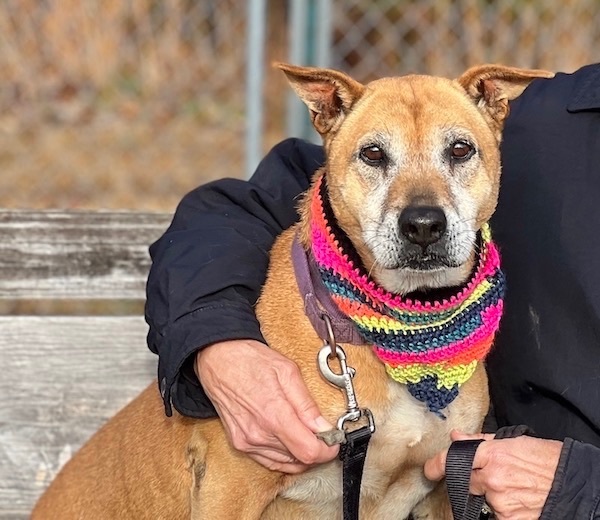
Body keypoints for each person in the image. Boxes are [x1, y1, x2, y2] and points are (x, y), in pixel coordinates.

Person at [145, 63, 600, 518]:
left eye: (458, 153)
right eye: (378, 159)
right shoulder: (549, 116)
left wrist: (582, 488)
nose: (422, 216)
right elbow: (234, 213)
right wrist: (218, 341)